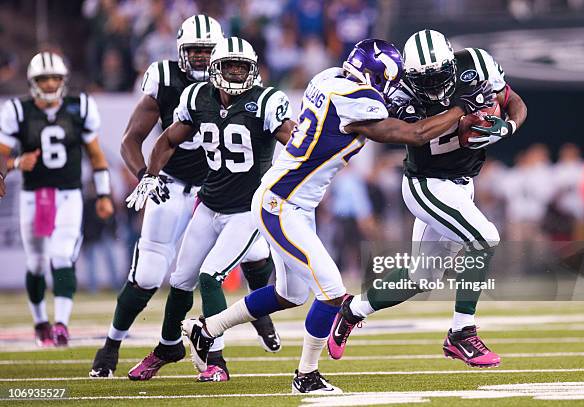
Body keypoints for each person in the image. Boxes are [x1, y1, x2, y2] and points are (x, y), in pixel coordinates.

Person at [180, 38, 495, 394]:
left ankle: (205, 330)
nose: (390, 87)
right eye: (388, 79)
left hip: (293, 200)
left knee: (290, 294)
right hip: (281, 203)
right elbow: (414, 134)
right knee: (331, 292)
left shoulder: (328, 77)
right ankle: (306, 375)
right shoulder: (360, 99)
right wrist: (460, 109)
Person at [90, 16, 280, 380]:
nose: (199, 57)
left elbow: (286, 136)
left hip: (235, 195)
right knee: (156, 275)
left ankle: (252, 322)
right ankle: (120, 344)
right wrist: (147, 175)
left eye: (207, 51)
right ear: (180, 50)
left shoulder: (257, 97)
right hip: (179, 187)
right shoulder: (180, 88)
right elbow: (141, 139)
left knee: (251, 257)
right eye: (193, 50)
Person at [328, 30, 528, 369]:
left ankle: (352, 311)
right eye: (425, 77)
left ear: (451, 63)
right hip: (427, 184)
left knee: (422, 278)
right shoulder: (400, 91)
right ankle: (461, 334)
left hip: (463, 184)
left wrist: (506, 127)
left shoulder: (476, 63)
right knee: (485, 238)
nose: (433, 83)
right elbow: (421, 132)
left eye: (438, 74)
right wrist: (463, 108)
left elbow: (514, 102)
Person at [0, 51, 114, 347]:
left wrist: (103, 193)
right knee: (37, 263)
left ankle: (61, 323)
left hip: (68, 195)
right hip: (34, 197)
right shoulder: (17, 110)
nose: (50, 84)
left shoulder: (80, 107)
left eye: (55, 78)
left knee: (62, 255)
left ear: (64, 80)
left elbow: (96, 155)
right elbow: (2, 154)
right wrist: (13, 165)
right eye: (43, 79)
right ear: (32, 81)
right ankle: (40, 323)